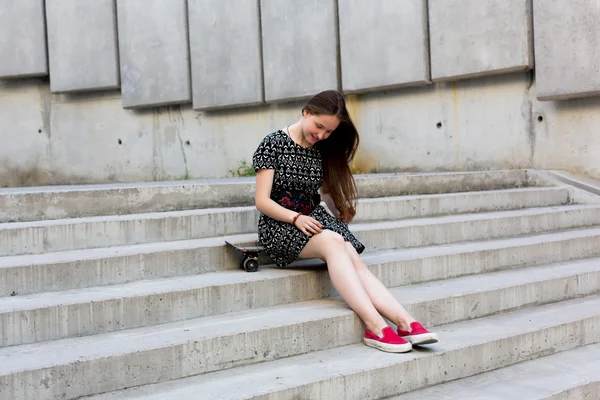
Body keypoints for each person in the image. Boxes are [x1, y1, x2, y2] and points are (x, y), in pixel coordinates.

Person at [252, 90, 438, 353]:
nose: (321, 136)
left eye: (328, 132)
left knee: (348, 250)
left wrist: (340, 210)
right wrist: (296, 218)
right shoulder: (273, 143)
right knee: (332, 241)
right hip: (280, 224)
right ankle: (375, 327)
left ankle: (405, 322)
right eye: (319, 127)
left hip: (312, 220)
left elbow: (325, 192)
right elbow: (262, 201)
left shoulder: (320, 148)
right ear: (306, 112)